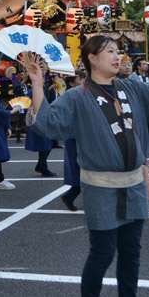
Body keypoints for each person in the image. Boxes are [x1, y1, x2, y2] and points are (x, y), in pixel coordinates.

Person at [25, 30, 149, 297]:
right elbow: (47, 123)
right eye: (110, 51)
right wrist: (36, 83)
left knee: (131, 253)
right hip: (100, 188)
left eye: (118, 51)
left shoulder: (132, 87)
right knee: (102, 253)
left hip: (134, 185)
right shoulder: (77, 97)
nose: (118, 56)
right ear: (92, 58)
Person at [25, 64, 57, 177]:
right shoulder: (32, 90)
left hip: (44, 117)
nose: (43, 71)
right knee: (45, 144)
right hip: (38, 119)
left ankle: (41, 165)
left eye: (44, 69)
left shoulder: (45, 85)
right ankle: (43, 167)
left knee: (47, 144)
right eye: (41, 68)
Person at [60, 72, 85, 211]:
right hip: (75, 137)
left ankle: (70, 196)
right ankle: (70, 196)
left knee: (82, 170)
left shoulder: (81, 94)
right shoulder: (70, 97)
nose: (83, 81)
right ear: (71, 83)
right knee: (80, 168)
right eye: (80, 79)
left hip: (81, 136)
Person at [12, 71, 30, 143]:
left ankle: (28, 136)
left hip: (26, 102)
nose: (23, 76)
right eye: (21, 75)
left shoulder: (26, 85)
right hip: (20, 103)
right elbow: (16, 89)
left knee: (28, 119)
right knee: (20, 120)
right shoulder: (16, 84)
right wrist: (24, 80)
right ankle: (18, 137)